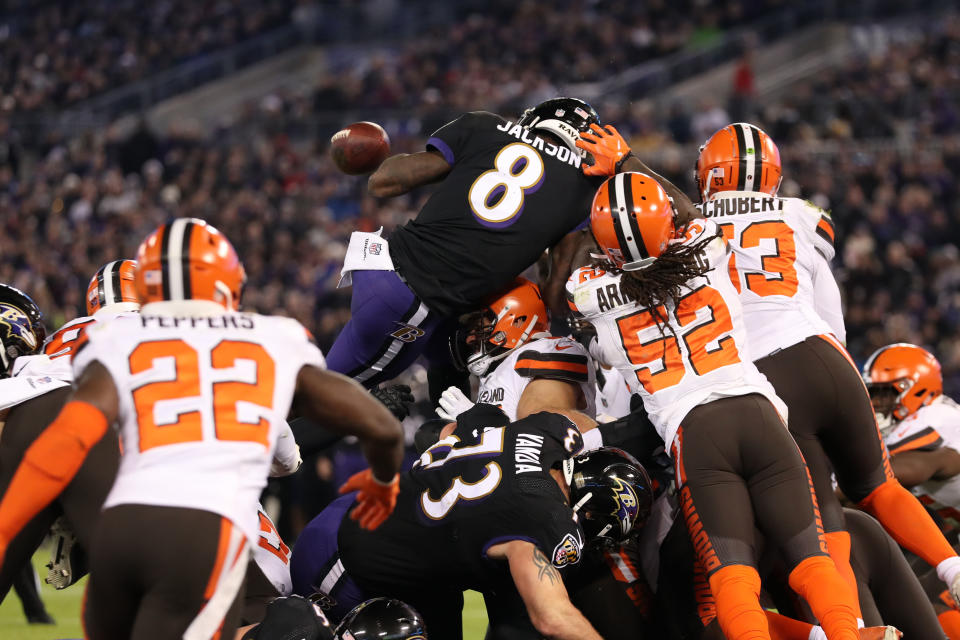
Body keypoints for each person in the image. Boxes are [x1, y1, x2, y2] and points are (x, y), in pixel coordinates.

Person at [0, 218, 406, 640]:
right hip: (191, 519)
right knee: (293, 625)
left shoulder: (75, 337)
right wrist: (380, 477)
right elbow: (289, 452)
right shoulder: (255, 337)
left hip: (68, 460)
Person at [566, 172, 864, 640]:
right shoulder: (705, 244)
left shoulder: (590, 294)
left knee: (733, 576)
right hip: (758, 415)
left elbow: (589, 289)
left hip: (697, 436)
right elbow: (687, 214)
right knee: (812, 559)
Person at [693, 123, 960, 611]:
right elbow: (831, 319)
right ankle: (952, 565)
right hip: (821, 356)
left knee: (821, 522)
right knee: (880, 485)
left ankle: (852, 623)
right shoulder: (801, 214)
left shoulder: (685, 234)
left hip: (759, 379)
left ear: (708, 175)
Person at [290, 403, 653, 640]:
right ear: (593, 511)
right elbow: (552, 616)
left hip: (360, 513)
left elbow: (461, 425)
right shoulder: (547, 523)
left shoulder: (546, 433)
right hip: (345, 561)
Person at [326, 98, 606, 396]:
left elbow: (381, 183)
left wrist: (378, 160)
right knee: (328, 398)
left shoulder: (485, 125)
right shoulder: (583, 188)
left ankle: (449, 437)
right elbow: (555, 298)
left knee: (450, 361)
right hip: (413, 299)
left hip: (389, 268)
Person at [864, 343, 960, 638]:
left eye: (885, 393)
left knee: (929, 603)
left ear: (915, 389)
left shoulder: (937, 417)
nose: (876, 403)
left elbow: (908, 468)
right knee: (911, 593)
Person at [435, 277, 595, 423]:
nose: (470, 339)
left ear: (518, 320)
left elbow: (549, 431)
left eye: (478, 326)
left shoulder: (545, 351)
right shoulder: (495, 373)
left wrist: (480, 423)